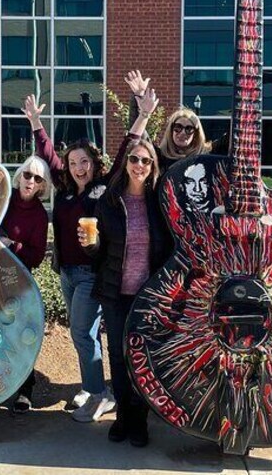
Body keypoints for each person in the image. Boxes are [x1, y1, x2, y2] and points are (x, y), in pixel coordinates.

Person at [22, 80, 158, 423]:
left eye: (84, 161)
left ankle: (99, 394)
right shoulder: (65, 189)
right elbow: (48, 154)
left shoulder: (104, 188)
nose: (78, 167)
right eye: (73, 162)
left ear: (94, 163)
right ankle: (92, 386)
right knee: (86, 332)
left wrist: (143, 115)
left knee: (81, 332)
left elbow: (129, 148)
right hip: (66, 272)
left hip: (91, 274)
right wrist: (36, 124)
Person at [79, 137, 171, 447]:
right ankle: (122, 418)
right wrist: (90, 245)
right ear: (126, 163)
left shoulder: (159, 203)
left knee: (143, 360)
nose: (140, 165)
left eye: (146, 161)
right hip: (116, 294)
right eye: (135, 159)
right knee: (118, 358)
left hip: (148, 296)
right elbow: (100, 252)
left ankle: (140, 420)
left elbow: (170, 248)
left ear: (153, 166)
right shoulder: (109, 201)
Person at [0, 155, 52, 413]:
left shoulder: (40, 216)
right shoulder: (3, 201)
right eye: (27, 175)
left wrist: (13, 246)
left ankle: (24, 390)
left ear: (42, 185)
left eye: (37, 178)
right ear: (19, 176)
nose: (30, 181)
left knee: (20, 334)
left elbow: (38, 256)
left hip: (19, 280)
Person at [124, 71, 209, 174]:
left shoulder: (204, 158)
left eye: (189, 129)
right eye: (178, 127)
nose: (182, 133)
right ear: (171, 130)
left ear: (196, 133)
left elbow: (230, 138)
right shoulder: (159, 157)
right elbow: (138, 134)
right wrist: (139, 95)